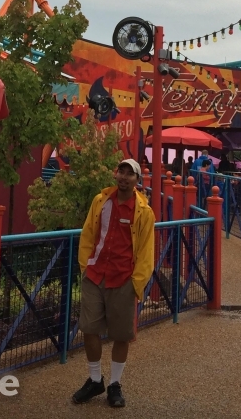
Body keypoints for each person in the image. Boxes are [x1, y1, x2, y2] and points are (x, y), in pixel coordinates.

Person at [72, 159, 155, 408]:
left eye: (131, 174)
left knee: (121, 335)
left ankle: (115, 384)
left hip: (123, 278)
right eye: (122, 172)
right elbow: (88, 233)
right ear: (115, 174)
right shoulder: (101, 202)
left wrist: (136, 283)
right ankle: (95, 379)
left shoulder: (143, 212)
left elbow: (146, 250)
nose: (124, 177)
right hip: (95, 273)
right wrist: (86, 265)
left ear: (137, 181)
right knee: (89, 329)